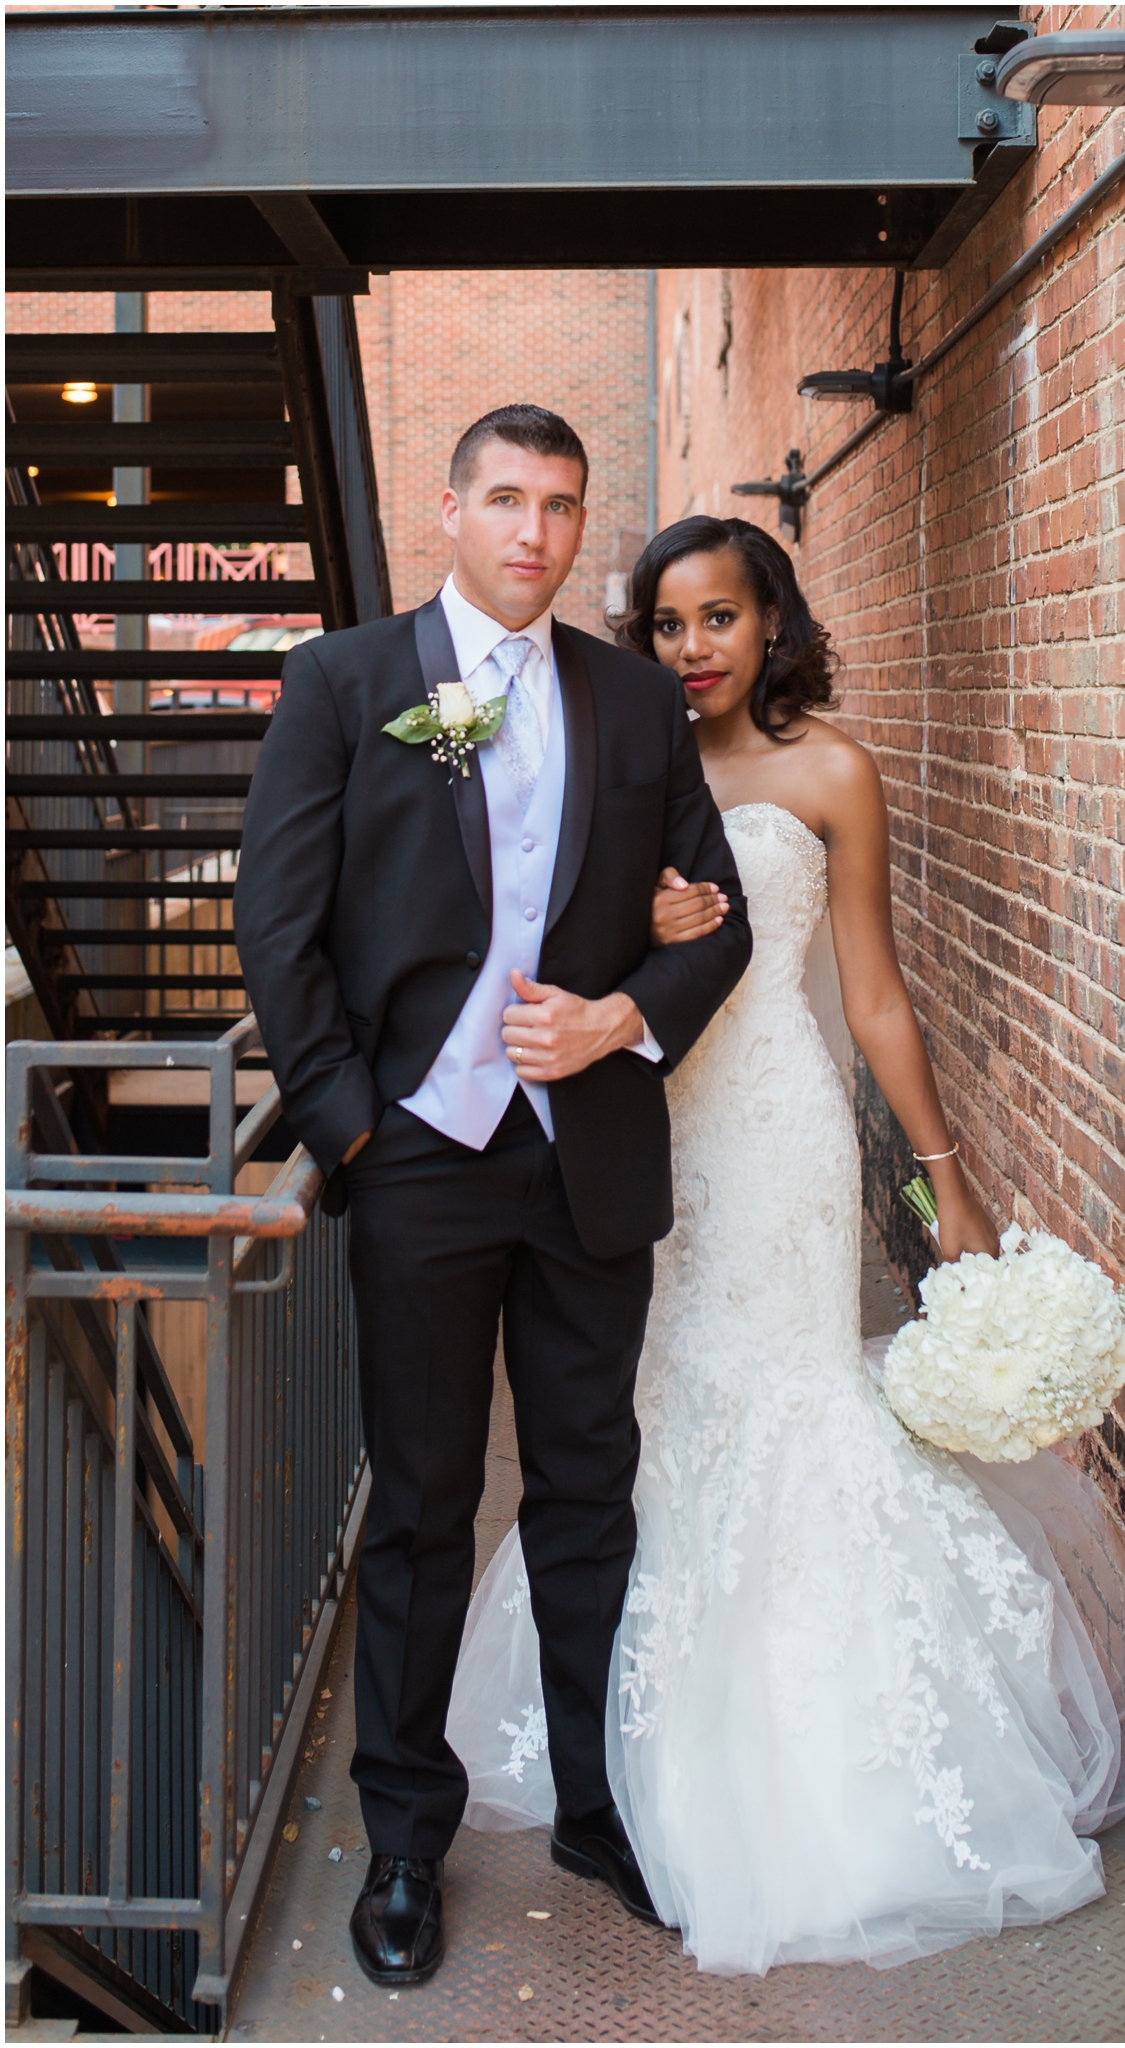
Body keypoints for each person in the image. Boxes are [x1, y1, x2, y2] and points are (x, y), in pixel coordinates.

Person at [446, 513, 1125, 1975]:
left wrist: (943, 1180)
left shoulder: (832, 772)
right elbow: (540, 941)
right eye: (666, 624)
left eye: (718, 618)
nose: (691, 649)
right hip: (642, 1131)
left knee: (788, 1392)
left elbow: (874, 993)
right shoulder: (614, 761)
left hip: (777, 1138)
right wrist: (634, 920)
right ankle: (617, 1727)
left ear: (770, 621)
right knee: (639, 1407)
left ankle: (818, 1741)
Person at [234, 422, 752, 1989]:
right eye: (506, 502)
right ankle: (403, 1840)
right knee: (419, 1504)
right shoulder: (343, 681)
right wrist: (352, 1126)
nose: (532, 533)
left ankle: (594, 1803)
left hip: (583, 1158)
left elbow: (711, 920)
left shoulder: (632, 695)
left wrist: (621, 1017)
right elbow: (280, 919)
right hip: (419, 1166)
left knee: (590, 1485)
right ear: (450, 511)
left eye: (561, 508)